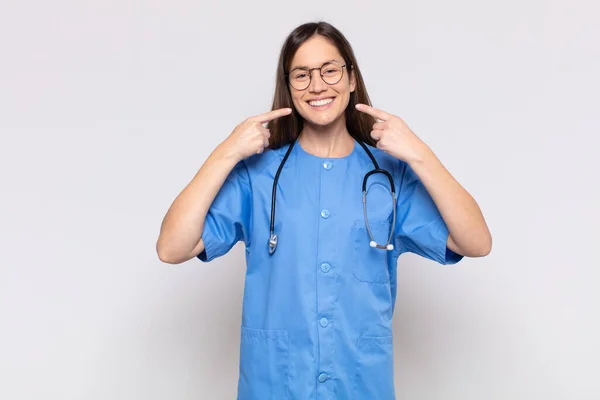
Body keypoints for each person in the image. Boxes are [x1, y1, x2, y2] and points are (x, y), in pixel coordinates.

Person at [157, 21, 492, 400]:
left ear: (351, 78)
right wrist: (226, 152)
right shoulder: (258, 175)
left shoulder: (388, 176)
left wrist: (419, 153)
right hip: (274, 385)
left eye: (330, 70)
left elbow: (476, 242)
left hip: (360, 384)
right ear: (289, 87)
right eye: (302, 75)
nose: (317, 85)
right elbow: (172, 248)